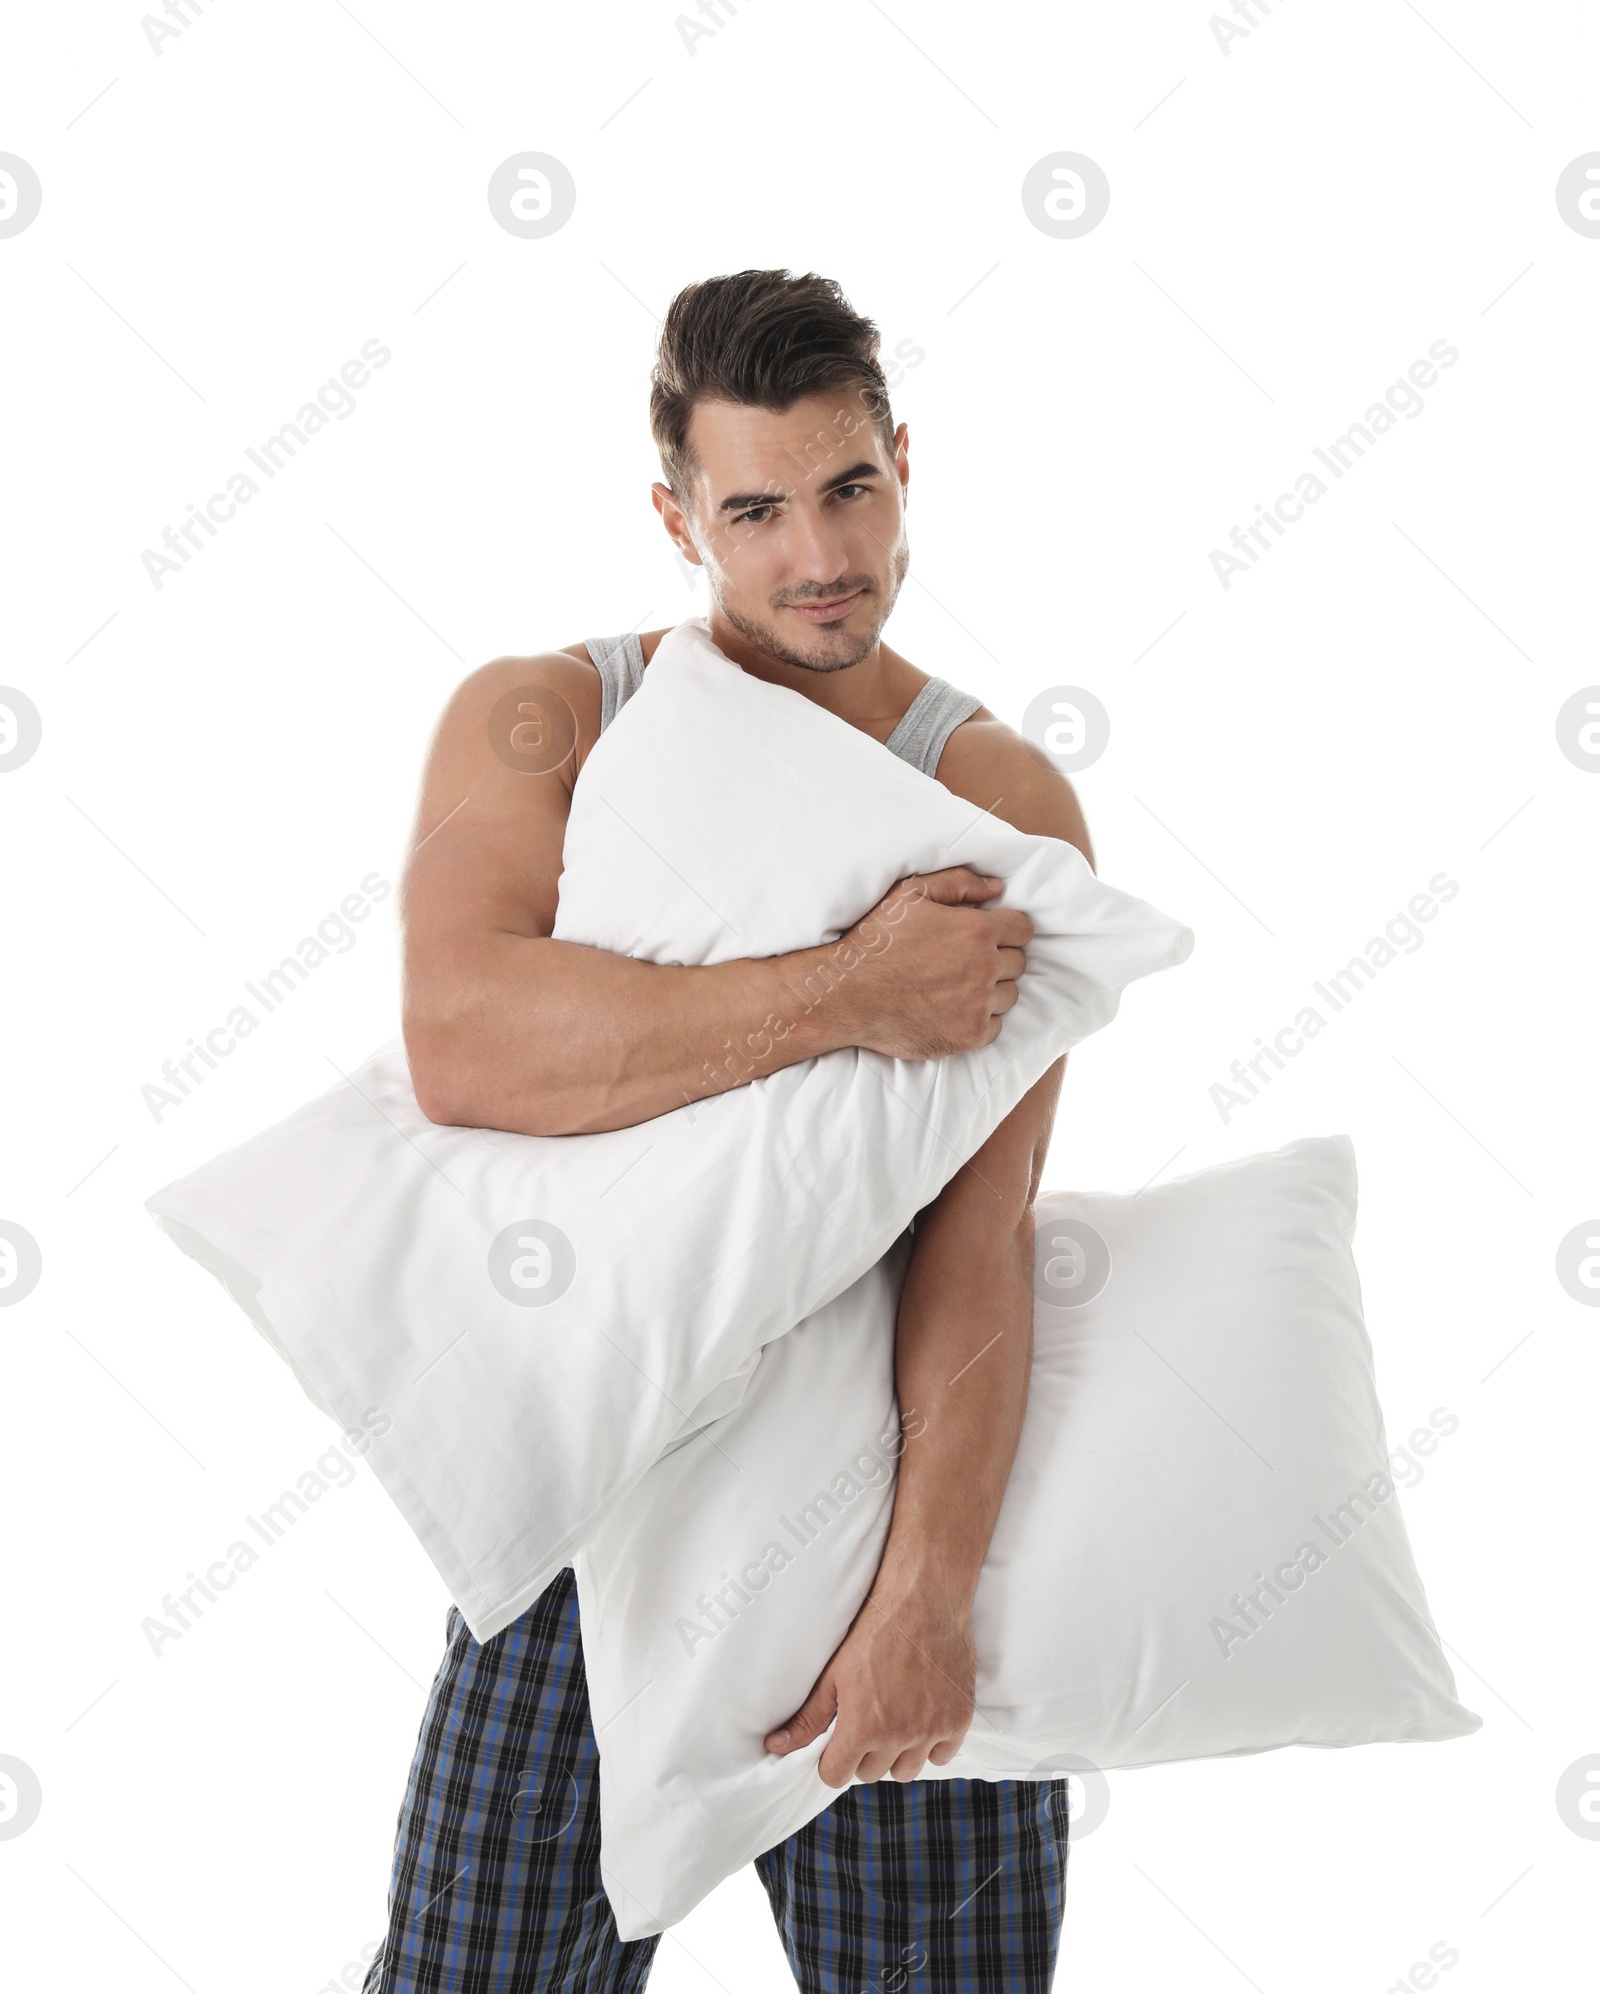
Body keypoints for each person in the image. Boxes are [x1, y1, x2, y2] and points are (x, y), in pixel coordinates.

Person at [363, 268, 1094, 1993]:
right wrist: (851, 986)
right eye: (754, 509)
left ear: (906, 461)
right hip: (585, 1530)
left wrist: (927, 1594)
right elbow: (464, 1044)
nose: (816, 555)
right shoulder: (550, 717)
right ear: (676, 512)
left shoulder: (998, 797)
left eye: (851, 488)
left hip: (888, 1520)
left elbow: (980, 1235)